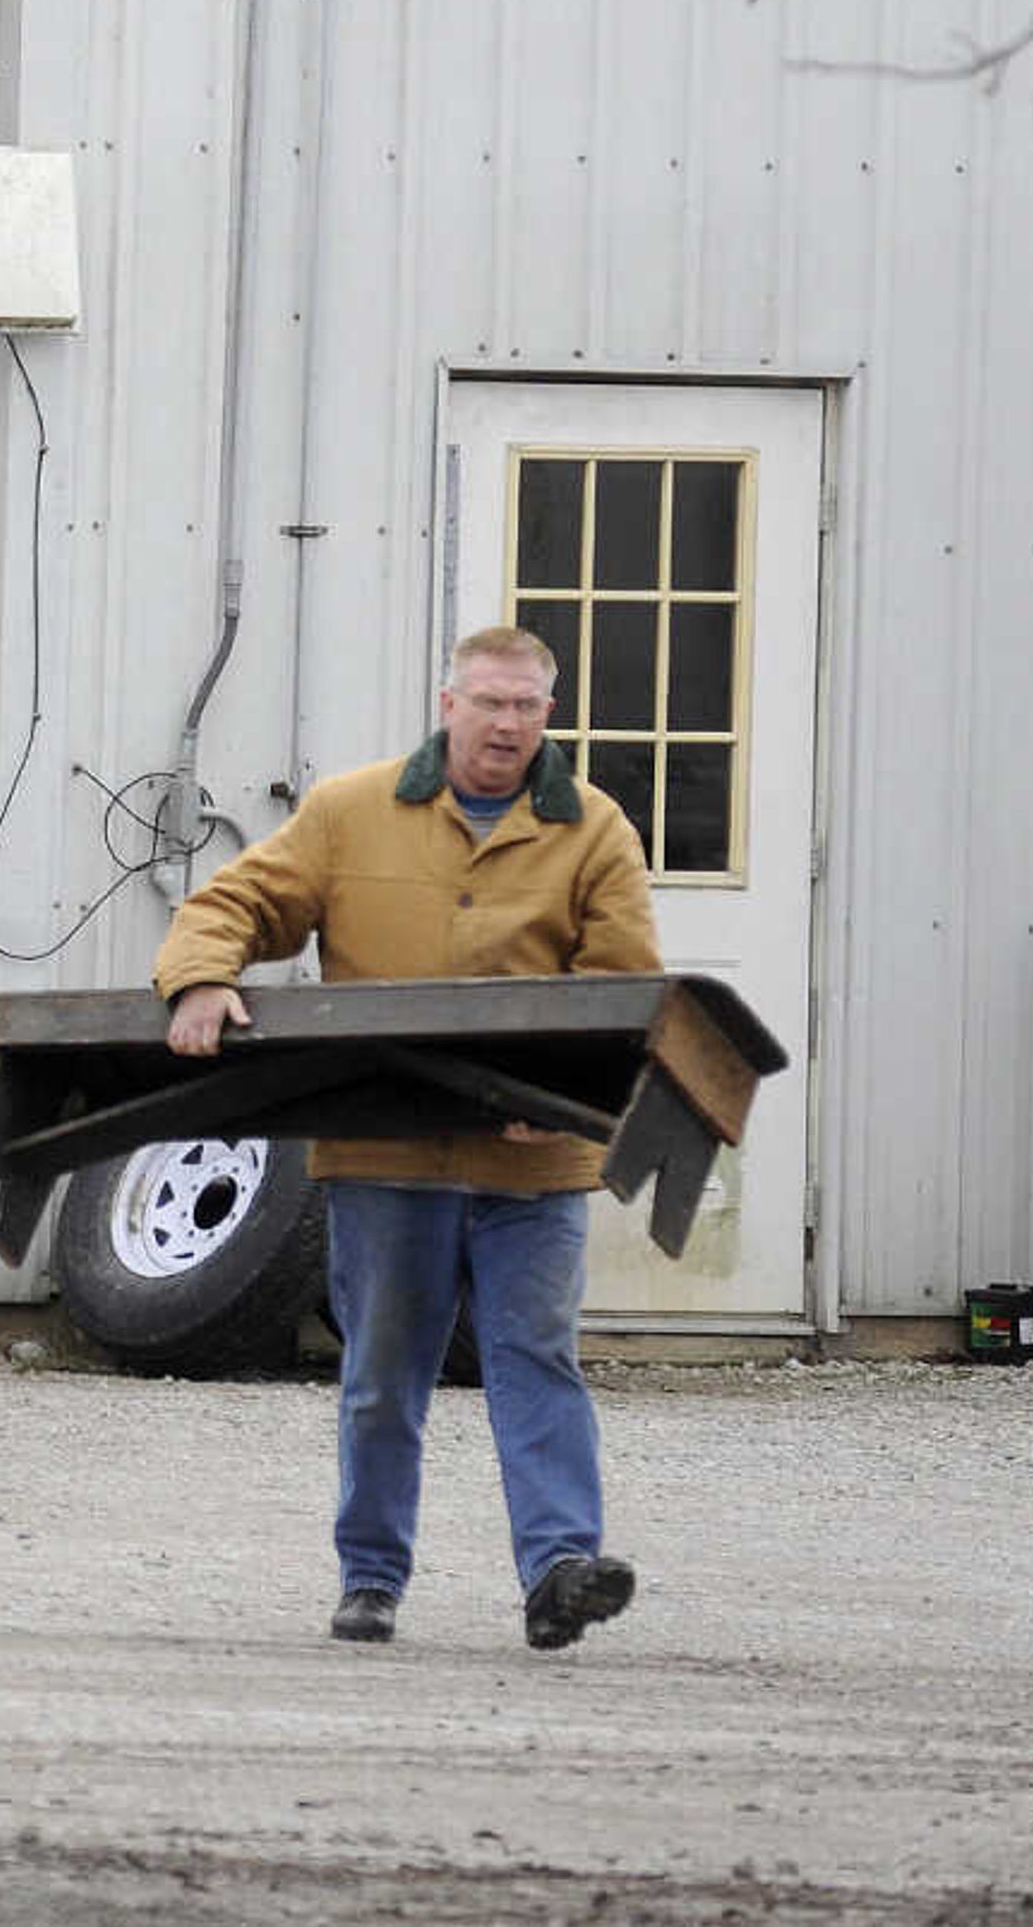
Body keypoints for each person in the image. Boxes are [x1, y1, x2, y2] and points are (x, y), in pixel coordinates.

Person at [152, 623, 660, 1652]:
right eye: (488, 702)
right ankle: (371, 1580)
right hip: (387, 1150)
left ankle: (560, 1570)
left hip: (535, 1160)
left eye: (526, 706)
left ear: (548, 716)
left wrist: (562, 1093)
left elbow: (623, 989)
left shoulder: (595, 829)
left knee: (536, 1359)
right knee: (384, 1373)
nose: (506, 723)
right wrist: (204, 973)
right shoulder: (353, 811)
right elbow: (241, 899)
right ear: (449, 705)